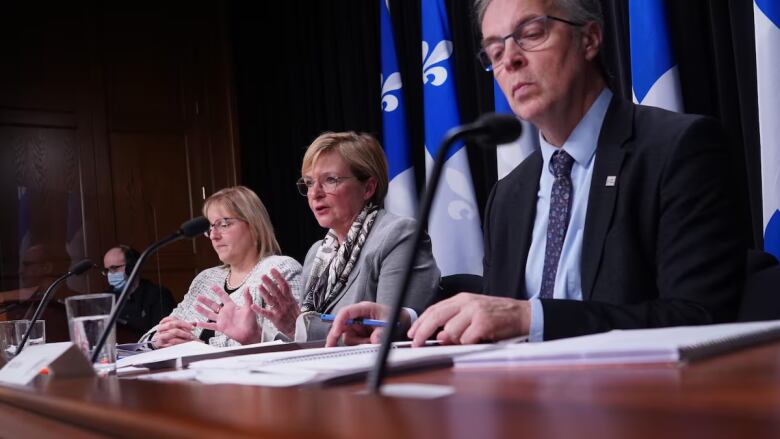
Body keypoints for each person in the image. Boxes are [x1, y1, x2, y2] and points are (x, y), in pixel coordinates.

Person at [326, 0, 747, 347]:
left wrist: (535, 317)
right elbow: (496, 310)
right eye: (493, 49)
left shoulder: (677, 149)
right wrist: (411, 322)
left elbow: (700, 318)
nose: (509, 58)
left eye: (531, 33)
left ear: (590, 38)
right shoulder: (510, 193)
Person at [209, 132, 440, 342]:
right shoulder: (318, 253)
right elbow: (305, 338)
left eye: (330, 180)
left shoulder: (398, 236)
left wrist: (296, 325)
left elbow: (386, 334)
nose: (314, 193)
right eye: (309, 183)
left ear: (368, 188)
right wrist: (255, 337)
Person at [140, 186, 303, 347]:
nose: (213, 235)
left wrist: (200, 347)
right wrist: (159, 339)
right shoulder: (206, 278)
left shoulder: (279, 269)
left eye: (223, 224)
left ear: (255, 226)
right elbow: (153, 335)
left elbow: (289, 341)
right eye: (210, 227)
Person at [101, 245, 176, 341]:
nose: (110, 274)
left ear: (132, 267)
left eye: (114, 268)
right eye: (107, 270)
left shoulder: (158, 295)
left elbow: (164, 334)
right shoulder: (107, 298)